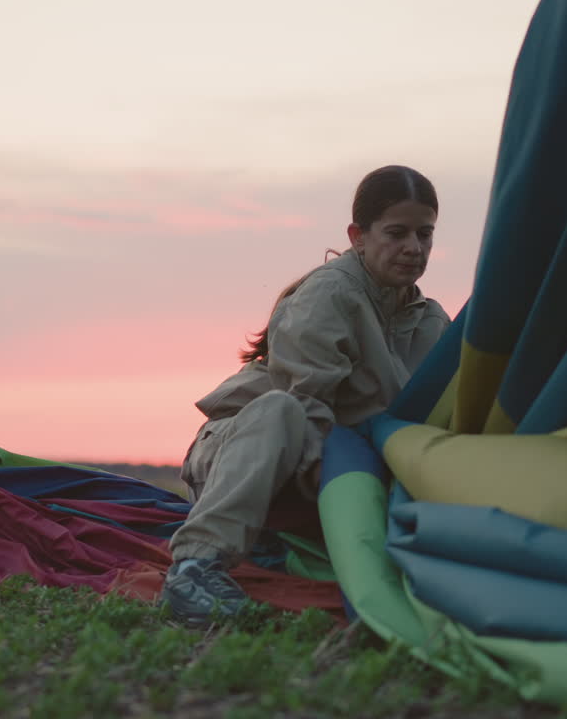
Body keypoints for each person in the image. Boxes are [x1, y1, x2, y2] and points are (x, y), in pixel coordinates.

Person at [162, 165, 452, 626]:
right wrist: (350, 500)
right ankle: (195, 567)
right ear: (358, 234)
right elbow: (309, 407)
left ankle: (276, 544)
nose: (413, 248)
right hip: (255, 450)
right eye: (396, 233)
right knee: (283, 409)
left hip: (346, 469)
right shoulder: (329, 294)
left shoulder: (432, 322)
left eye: (425, 234)